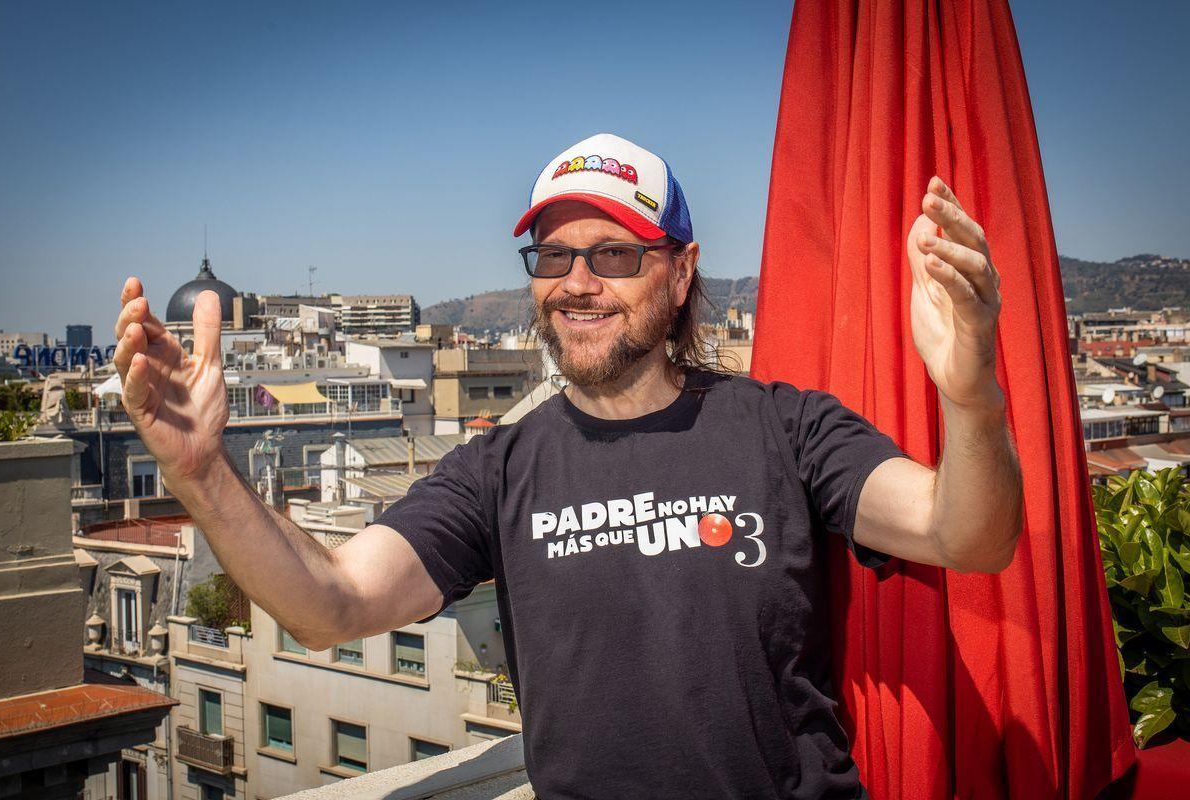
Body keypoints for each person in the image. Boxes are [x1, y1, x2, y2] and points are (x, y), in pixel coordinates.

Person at [112, 132, 1022, 799]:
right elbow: (330, 606)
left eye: (615, 253)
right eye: (554, 254)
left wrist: (971, 396)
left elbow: (968, 534)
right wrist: (202, 473)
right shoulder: (499, 470)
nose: (577, 281)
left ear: (679, 272)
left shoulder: (782, 430)